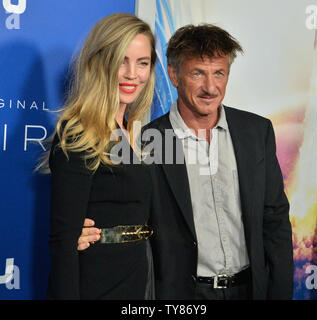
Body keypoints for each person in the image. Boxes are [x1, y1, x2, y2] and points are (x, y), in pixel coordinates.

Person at [78, 24, 294, 300]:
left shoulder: (256, 131)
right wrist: (82, 232)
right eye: (197, 74)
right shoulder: (145, 142)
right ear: (174, 75)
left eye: (219, 73)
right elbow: (123, 213)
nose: (210, 87)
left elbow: (274, 220)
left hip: (250, 290)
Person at [44, 13, 157, 299]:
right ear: (100, 62)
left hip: (135, 281)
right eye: (122, 60)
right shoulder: (79, 133)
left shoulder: (129, 132)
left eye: (142, 63)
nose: (133, 73)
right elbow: (64, 243)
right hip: (97, 285)